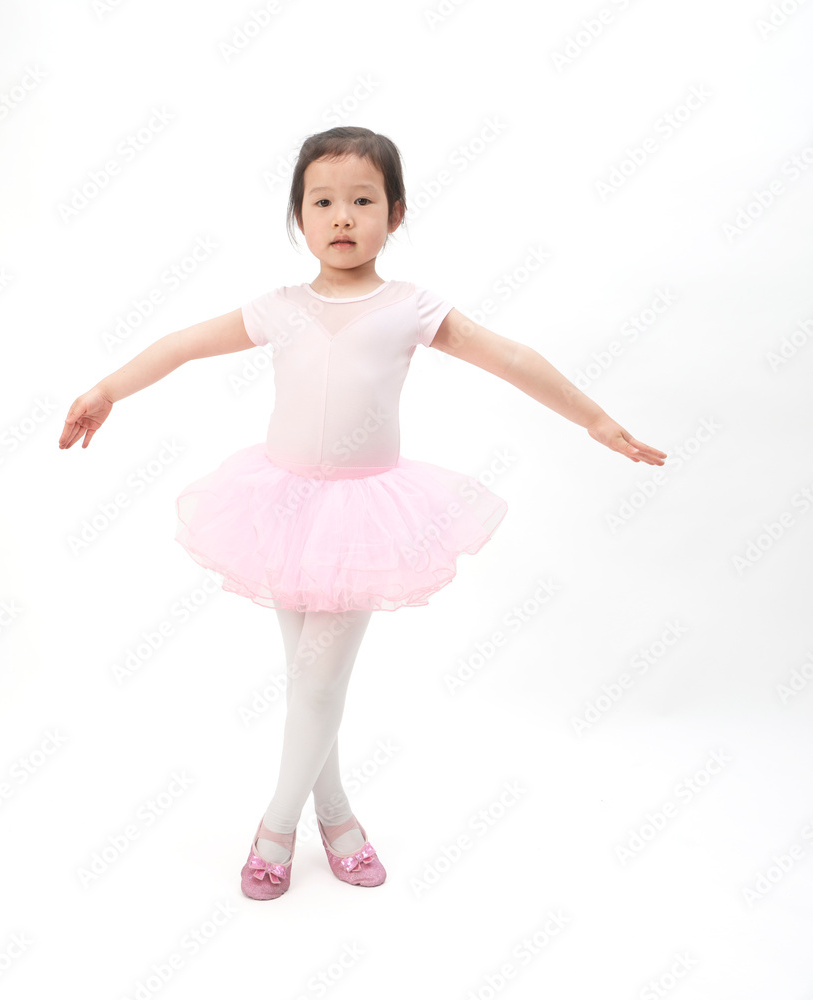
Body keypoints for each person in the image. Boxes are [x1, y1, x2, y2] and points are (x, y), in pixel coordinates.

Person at [59, 126, 667, 901]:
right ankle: (338, 817)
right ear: (299, 217)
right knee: (309, 683)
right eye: (323, 201)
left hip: (364, 519)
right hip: (277, 507)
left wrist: (595, 419)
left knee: (316, 685)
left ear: (396, 213)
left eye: (362, 201)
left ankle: (275, 830)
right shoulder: (278, 308)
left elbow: (510, 356)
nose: (342, 216)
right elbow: (183, 344)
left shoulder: (412, 307)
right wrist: (108, 388)